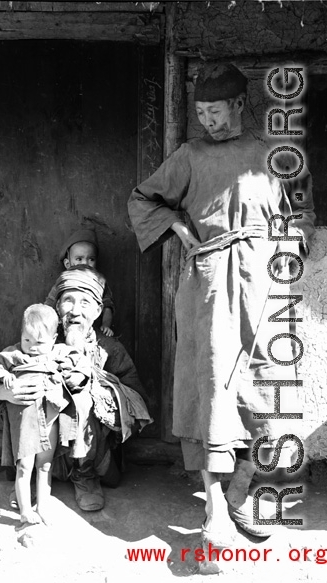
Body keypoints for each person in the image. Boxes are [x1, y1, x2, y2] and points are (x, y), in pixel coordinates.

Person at [128, 63, 315, 546]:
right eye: (201, 112)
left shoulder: (273, 154)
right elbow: (144, 198)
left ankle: (240, 492)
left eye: (216, 111)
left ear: (238, 104)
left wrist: (292, 243)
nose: (208, 121)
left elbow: (304, 211)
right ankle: (213, 513)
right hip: (210, 283)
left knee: (270, 391)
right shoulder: (189, 156)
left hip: (267, 282)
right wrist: (179, 227)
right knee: (210, 386)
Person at [0, 266, 151, 521]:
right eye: (68, 301)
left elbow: (137, 399)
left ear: (97, 311)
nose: (75, 310)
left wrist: (94, 387)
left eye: (85, 302)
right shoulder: (39, 340)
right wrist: (4, 393)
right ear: (57, 308)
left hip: (89, 447)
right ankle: (27, 481)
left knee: (83, 396)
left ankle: (84, 477)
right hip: (38, 438)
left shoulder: (110, 349)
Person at [0, 303, 92, 532]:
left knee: (45, 465)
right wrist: (3, 377)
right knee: (24, 466)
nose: (32, 348)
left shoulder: (58, 352)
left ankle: (43, 506)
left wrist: (72, 375)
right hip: (24, 422)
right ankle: (25, 511)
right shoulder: (14, 354)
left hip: (49, 417)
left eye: (39, 343)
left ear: (53, 339)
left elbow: (81, 362)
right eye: (27, 340)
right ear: (21, 337)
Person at [45, 228, 115, 336]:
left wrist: (106, 326)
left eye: (91, 259)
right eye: (79, 259)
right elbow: (49, 305)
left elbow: (107, 307)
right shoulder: (63, 281)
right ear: (68, 264)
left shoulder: (99, 283)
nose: (85, 263)